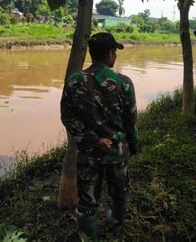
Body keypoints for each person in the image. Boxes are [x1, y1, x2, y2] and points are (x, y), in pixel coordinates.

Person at [60, 32, 139, 240]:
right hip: (117, 153)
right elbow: (131, 121)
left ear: (92, 54)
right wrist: (134, 145)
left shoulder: (74, 81)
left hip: (88, 154)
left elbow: (67, 118)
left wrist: (92, 140)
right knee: (119, 194)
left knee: (87, 201)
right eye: (115, 51)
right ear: (111, 54)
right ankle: (117, 227)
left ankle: (88, 237)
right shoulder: (124, 82)